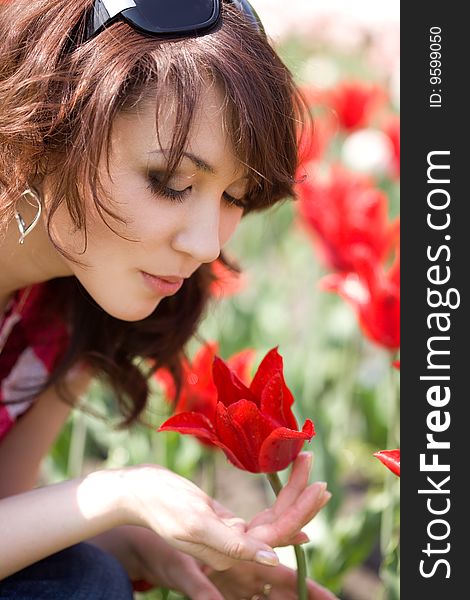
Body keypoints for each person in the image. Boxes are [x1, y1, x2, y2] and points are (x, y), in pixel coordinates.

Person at [0, 1, 335, 598]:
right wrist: (118, 493)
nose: (207, 245)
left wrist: (145, 541)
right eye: (171, 183)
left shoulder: (62, 315)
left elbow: (8, 510)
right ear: (49, 127)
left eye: (235, 195)